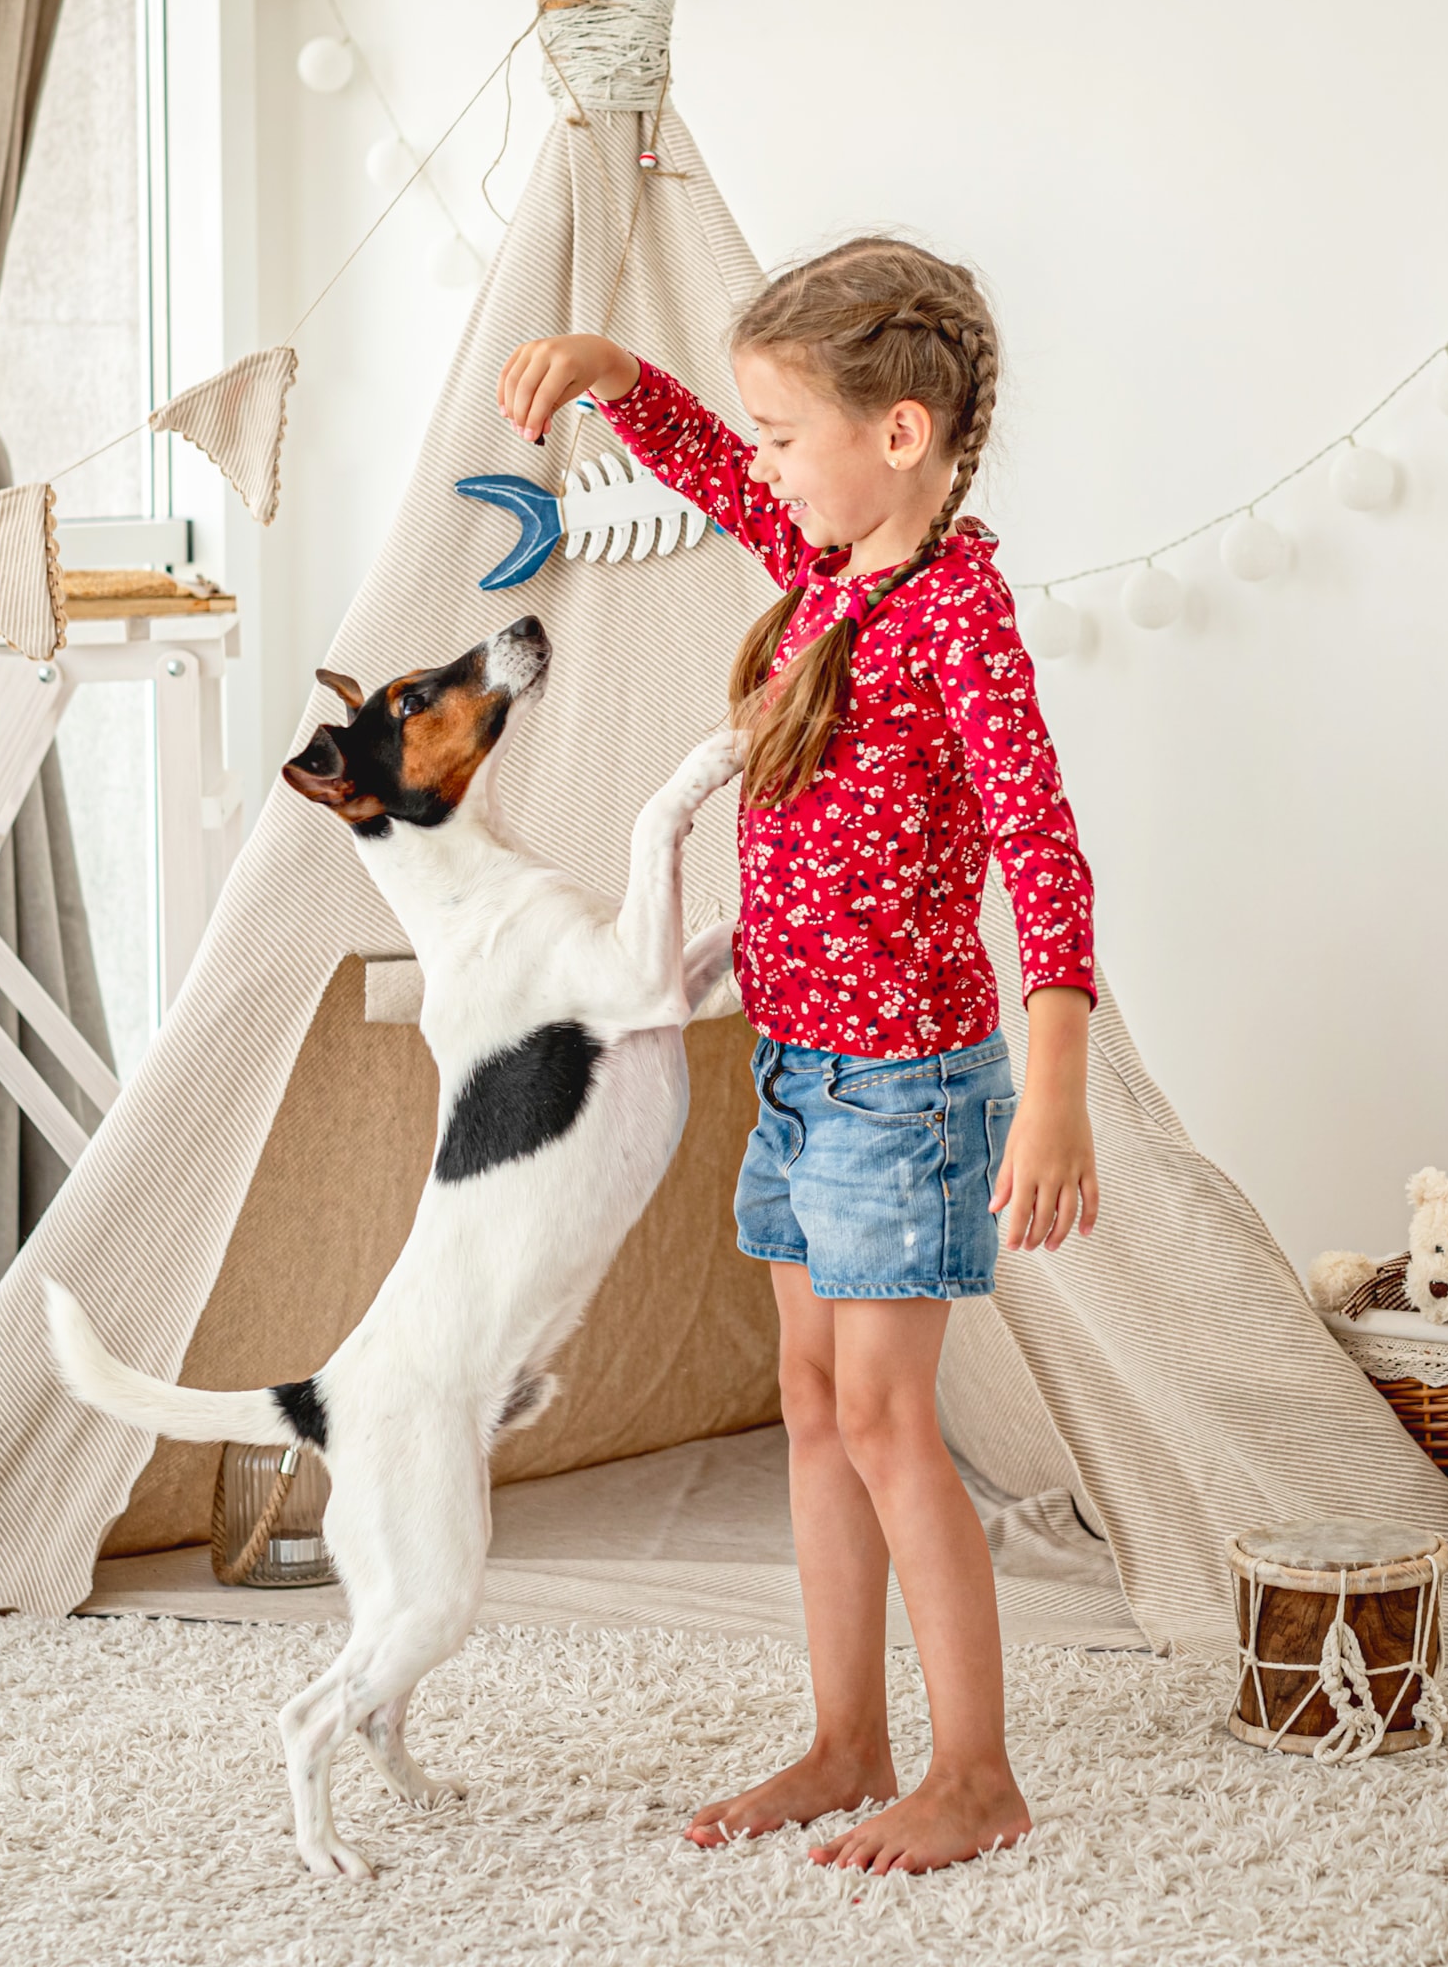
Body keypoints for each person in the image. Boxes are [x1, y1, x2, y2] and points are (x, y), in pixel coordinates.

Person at [497, 237, 1099, 1876]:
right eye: (758, 433)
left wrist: (1055, 1089)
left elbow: (1045, 857)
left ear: (898, 435)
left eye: (787, 432)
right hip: (801, 1074)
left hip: (907, 1092)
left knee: (891, 1417)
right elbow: (708, 475)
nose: (763, 464)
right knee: (812, 1403)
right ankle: (848, 1738)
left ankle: (975, 1771)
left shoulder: (956, 614)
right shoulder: (838, 570)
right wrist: (622, 375)